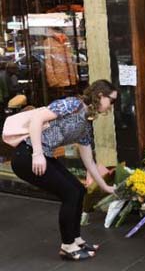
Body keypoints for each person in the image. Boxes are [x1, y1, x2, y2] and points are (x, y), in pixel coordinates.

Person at [10, 80, 118, 261]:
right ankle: (67, 246)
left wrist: (106, 188)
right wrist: (37, 153)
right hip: (27, 155)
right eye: (111, 101)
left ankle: (76, 240)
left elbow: (89, 162)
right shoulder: (73, 104)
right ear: (100, 95)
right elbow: (36, 118)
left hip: (42, 156)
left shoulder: (86, 123)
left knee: (78, 189)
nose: (111, 107)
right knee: (69, 193)